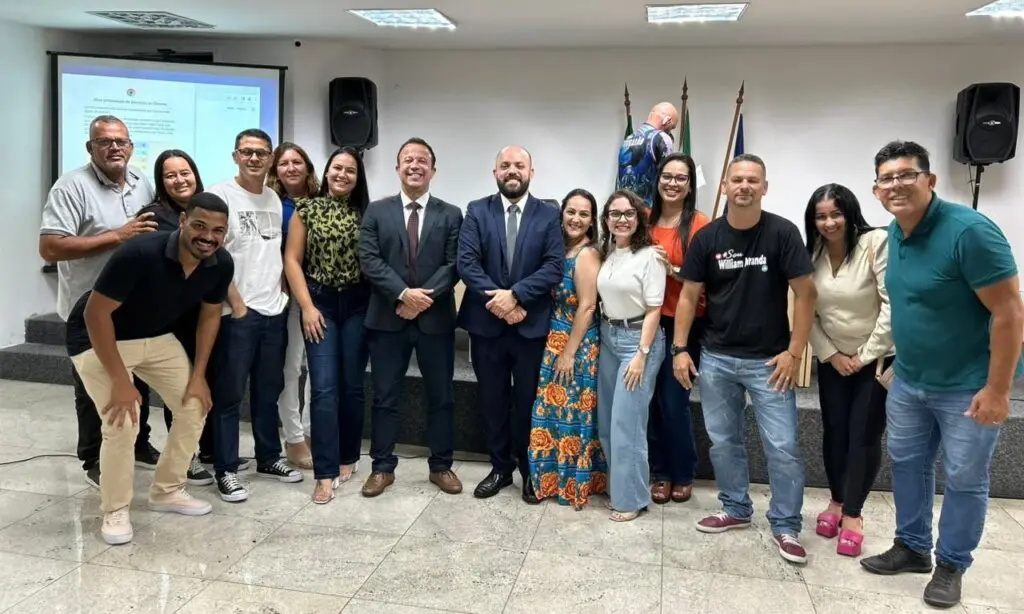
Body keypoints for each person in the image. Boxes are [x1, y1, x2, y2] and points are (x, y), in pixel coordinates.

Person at [859, 141, 1023, 609]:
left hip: (968, 387)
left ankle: (952, 563)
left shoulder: (969, 232)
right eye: (887, 178)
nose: (897, 185)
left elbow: (1010, 314)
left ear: (929, 180)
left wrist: (998, 390)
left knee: (965, 478)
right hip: (909, 381)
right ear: (876, 189)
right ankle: (912, 548)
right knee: (908, 467)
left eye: (907, 175)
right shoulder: (896, 231)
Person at [64, 192, 234, 545]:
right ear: (183, 221)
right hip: (96, 336)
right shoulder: (140, 253)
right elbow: (96, 315)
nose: (208, 237)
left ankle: (167, 490)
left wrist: (199, 375)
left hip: (155, 336)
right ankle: (115, 508)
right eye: (200, 226)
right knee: (123, 419)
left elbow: (210, 316)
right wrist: (120, 382)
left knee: (194, 405)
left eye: (218, 230)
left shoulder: (220, 262)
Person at [673, 153, 816, 565]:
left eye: (753, 180)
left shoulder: (783, 234)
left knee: (784, 446)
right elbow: (687, 295)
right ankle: (735, 508)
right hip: (716, 358)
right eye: (737, 179)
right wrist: (681, 349)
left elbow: (806, 295)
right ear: (724, 186)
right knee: (724, 441)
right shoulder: (708, 238)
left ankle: (786, 525)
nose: (744, 186)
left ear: (764, 187)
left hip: (771, 362)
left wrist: (794, 352)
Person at [39, 114, 160, 489]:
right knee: (93, 387)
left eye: (121, 141)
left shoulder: (142, 182)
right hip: (87, 310)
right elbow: (50, 246)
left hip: (134, 306)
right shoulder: (71, 187)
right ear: (90, 148)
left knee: (135, 378)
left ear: (131, 146)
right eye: (105, 142)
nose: (114, 148)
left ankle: (138, 442)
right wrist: (116, 237)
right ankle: (93, 457)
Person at [457, 144, 565, 502]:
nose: (512, 171)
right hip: (487, 327)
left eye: (519, 165)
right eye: (505, 165)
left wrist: (515, 296)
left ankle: (528, 470)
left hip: (530, 327)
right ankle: (500, 468)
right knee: (492, 400)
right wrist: (503, 303)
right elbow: (468, 264)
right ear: (495, 172)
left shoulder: (549, 214)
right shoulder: (477, 210)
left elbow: (553, 267)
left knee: (527, 401)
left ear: (531, 172)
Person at [358, 138, 464, 497]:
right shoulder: (376, 210)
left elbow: (454, 265)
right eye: (408, 159)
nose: (415, 165)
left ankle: (441, 466)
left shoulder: (451, 214)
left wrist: (420, 300)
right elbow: (370, 260)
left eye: (422, 160)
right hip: (388, 319)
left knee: (442, 396)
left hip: (436, 322)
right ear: (397, 167)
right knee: (385, 396)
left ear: (433, 169)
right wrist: (403, 295)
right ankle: (382, 468)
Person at [207, 128, 303, 503]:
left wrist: (279, 290)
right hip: (237, 315)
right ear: (235, 156)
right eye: (247, 152)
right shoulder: (220, 196)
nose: (254, 159)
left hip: (273, 313)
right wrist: (238, 304)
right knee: (229, 395)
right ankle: (227, 470)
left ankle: (268, 457)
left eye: (261, 153)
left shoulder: (274, 199)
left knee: (268, 392)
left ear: (269, 159)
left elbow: (273, 252)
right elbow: (212, 254)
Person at [804, 183, 893, 558]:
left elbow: (892, 303)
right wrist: (830, 354)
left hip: (876, 361)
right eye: (821, 216)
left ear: (850, 213)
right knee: (835, 431)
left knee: (863, 435)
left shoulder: (875, 243)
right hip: (833, 360)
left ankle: (854, 514)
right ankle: (837, 501)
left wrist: (864, 355)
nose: (829, 222)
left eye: (835, 214)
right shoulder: (811, 254)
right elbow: (805, 310)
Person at [284, 147, 372, 505]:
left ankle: (348, 456)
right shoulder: (307, 209)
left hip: (357, 305)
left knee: (352, 386)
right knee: (323, 388)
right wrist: (306, 306)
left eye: (350, 171)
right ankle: (324, 473)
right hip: (319, 304)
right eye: (337, 168)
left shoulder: (368, 213)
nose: (342, 175)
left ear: (358, 178)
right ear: (326, 171)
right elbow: (292, 259)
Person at [137, 149, 215, 487]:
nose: (180, 180)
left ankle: (205, 448)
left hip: (204, 315)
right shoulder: (152, 216)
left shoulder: (209, 211)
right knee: (179, 390)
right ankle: (187, 459)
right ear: (161, 181)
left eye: (185, 172)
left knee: (202, 383)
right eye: (171, 175)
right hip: (170, 319)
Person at [527, 188, 607, 509]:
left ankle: (573, 483)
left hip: (577, 342)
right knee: (551, 412)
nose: (576, 219)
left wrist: (570, 351)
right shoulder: (558, 248)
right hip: (554, 339)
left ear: (591, 222)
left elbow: (587, 306)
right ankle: (548, 479)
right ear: (561, 214)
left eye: (583, 214)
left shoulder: (587, 254)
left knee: (571, 414)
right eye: (571, 212)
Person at [596, 189, 666, 522]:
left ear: (638, 218)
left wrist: (642, 354)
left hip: (637, 341)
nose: (621, 219)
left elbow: (654, 309)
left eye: (628, 213)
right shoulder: (609, 252)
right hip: (609, 337)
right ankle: (618, 488)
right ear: (606, 219)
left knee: (629, 424)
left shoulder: (650, 256)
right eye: (614, 213)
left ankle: (633, 498)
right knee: (608, 422)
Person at [647, 152, 711, 505]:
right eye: (667, 176)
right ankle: (660, 472)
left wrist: (670, 269)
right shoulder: (644, 218)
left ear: (689, 186)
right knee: (651, 401)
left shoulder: (701, 225)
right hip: (647, 321)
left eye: (680, 178)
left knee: (674, 401)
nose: (672, 183)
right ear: (658, 180)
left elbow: (709, 282)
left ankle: (683, 472)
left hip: (683, 324)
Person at [267, 142, 320, 469]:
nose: (290, 168)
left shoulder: (322, 202)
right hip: (284, 298)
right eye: (283, 163)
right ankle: (293, 437)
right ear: (276, 171)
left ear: (307, 167)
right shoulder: (272, 203)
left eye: (296, 162)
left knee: (317, 369)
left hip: (318, 297)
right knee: (290, 368)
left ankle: (311, 430)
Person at [616, 102, 678, 208]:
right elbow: (668, 177)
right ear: (667, 121)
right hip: (650, 211)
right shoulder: (661, 137)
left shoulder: (628, 139)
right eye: (671, 127)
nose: (670, 131)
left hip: (627, 210)